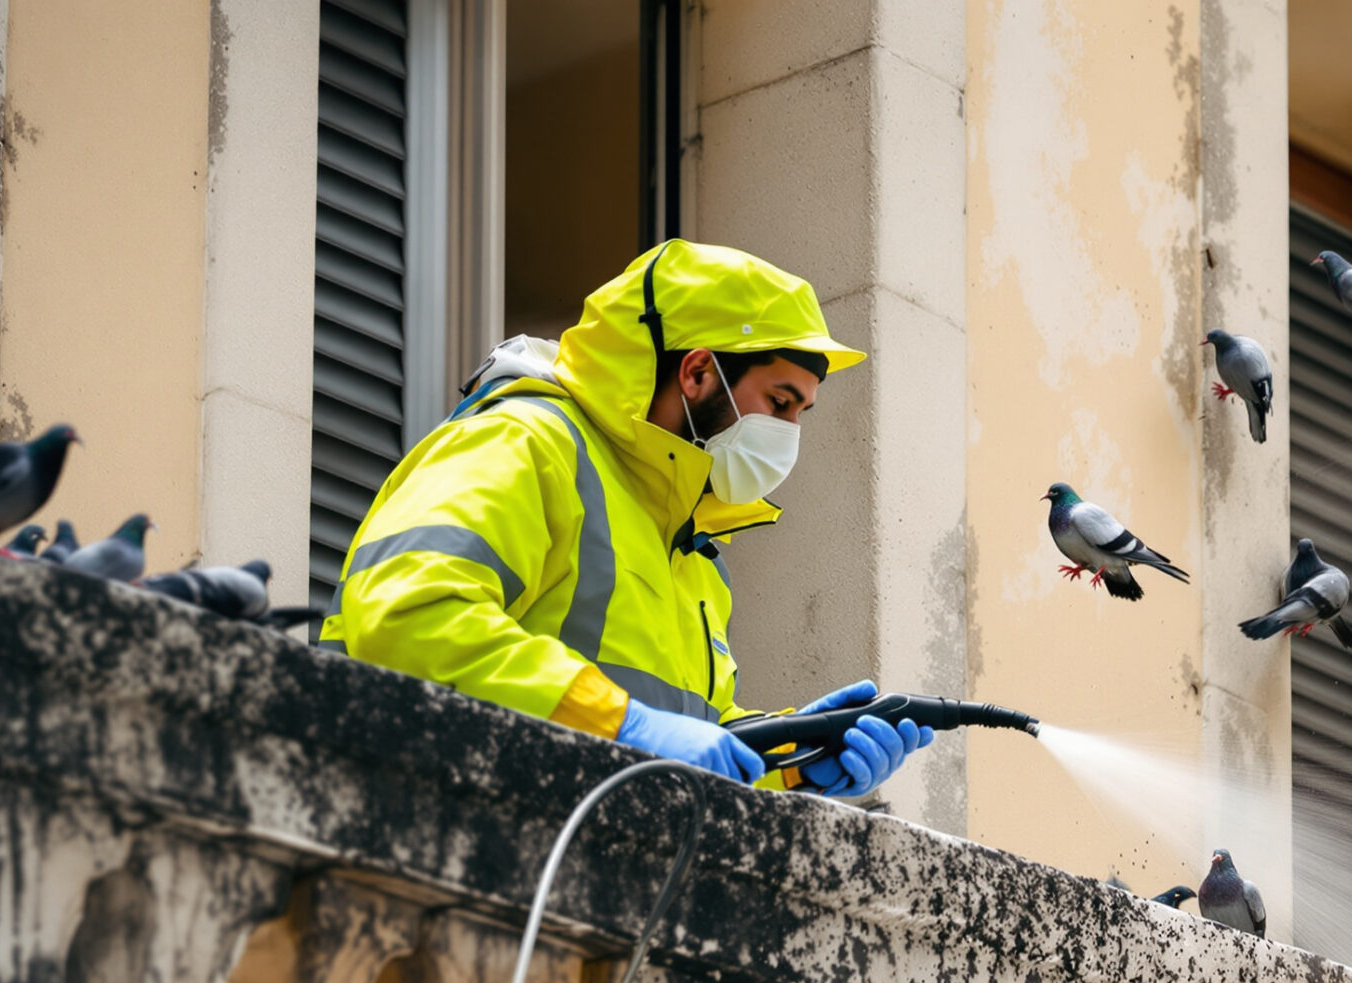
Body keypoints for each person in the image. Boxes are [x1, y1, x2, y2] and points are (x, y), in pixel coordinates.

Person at [320, 242, 931, 794]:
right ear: (696, 373)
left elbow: (691, 742)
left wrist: (795, 757)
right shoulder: (526, 443)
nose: (790, 433)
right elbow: (407, 615)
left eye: (801, 411)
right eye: (779, 402)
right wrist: (623, 725)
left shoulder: (689, 554)